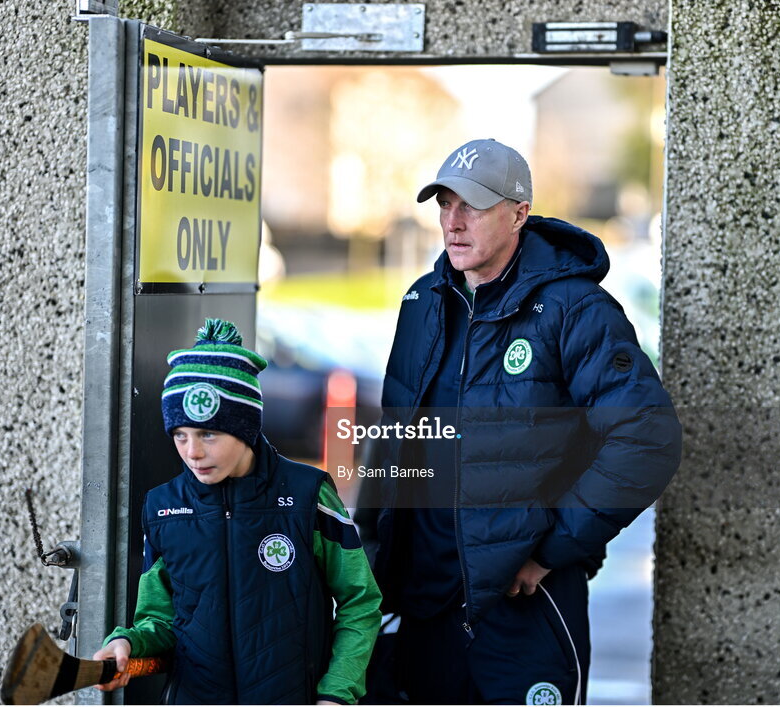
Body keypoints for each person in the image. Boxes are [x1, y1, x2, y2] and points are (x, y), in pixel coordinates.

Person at [371, 139, 682, 705]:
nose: (453, 222)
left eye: (473, 205)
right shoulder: (422, 302)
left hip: (524, 605)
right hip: (425, 604)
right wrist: (372, 555)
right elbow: (396, 441)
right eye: (444, 203)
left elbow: (647, 440)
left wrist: (553, 550)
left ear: (518, 214)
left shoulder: (574, 310)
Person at [95, 318, 382, 705]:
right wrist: (127, 641)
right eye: (180, 435)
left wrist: (337, 692)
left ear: (244, 428)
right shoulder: (163, 508)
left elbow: (359, 602)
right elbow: (161, 620)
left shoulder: (307, 493)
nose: (192, 452)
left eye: (208, 434)